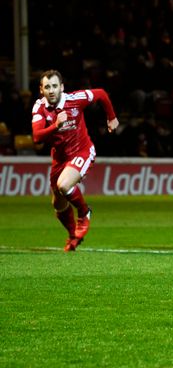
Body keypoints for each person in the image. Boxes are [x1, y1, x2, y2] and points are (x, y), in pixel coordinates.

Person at [31, 70, 119, 251]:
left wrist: (112, 117)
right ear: (41, 90)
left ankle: (84, 212)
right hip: (59, 159)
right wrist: (56, 126)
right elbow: (37, 137)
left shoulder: (75, 99)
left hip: (82, 151)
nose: (52, 90)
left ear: (62, 87)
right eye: (47, 87)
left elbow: (101, 94)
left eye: (55, 86)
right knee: (58, 203)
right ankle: (73, 235)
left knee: (64, 185)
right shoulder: (39, 107)